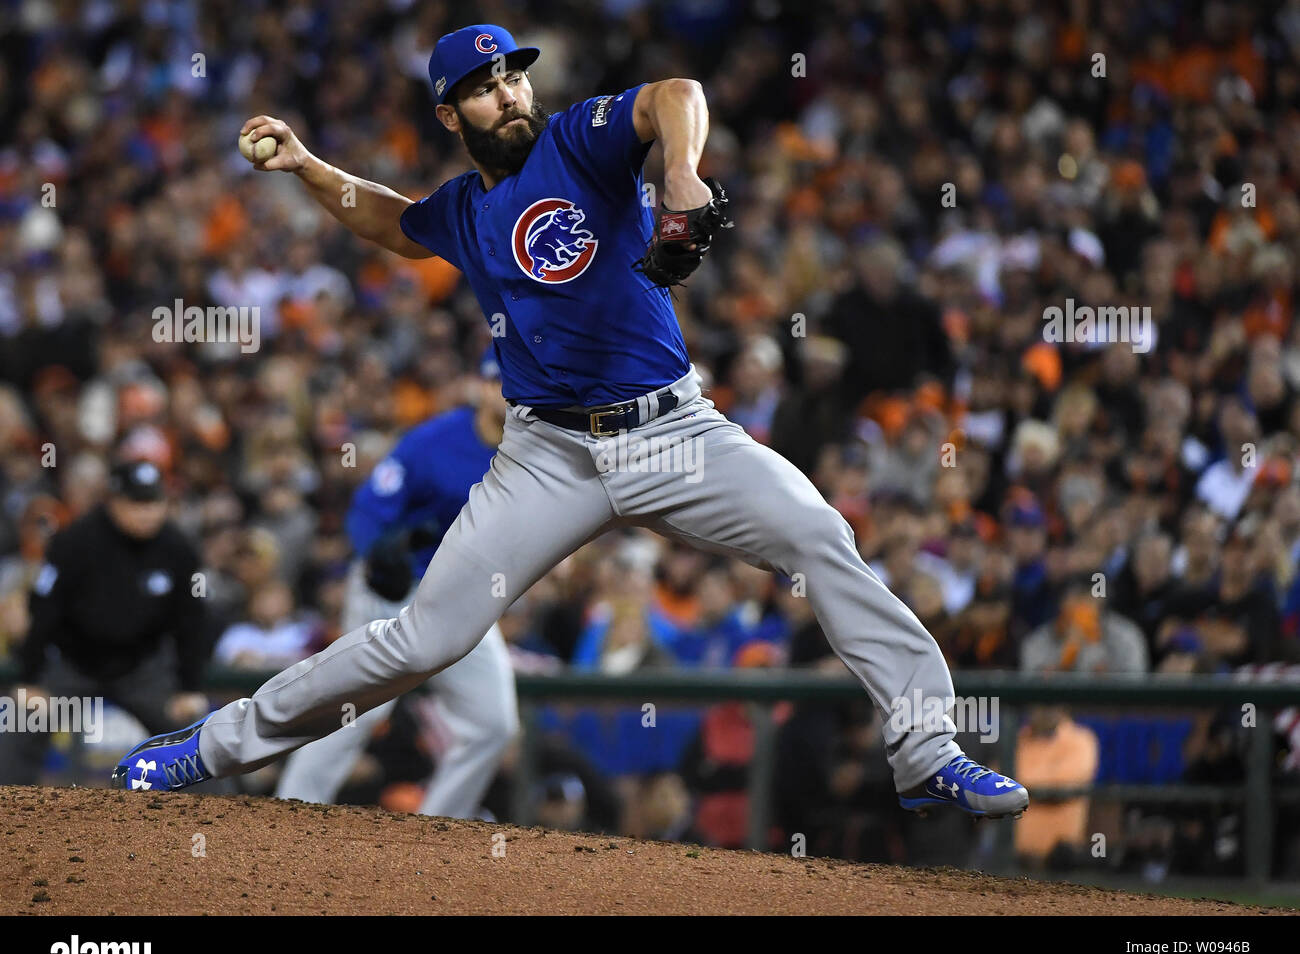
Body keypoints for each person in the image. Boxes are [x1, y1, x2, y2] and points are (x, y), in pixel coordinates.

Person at [113, 23, 1028, 821]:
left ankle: (926, 748)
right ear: (449, 116)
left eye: (512, 74)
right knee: (426, 637)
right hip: (547, 453)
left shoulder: (578, 143)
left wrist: (677, 171)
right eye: (480, 87)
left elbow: (678, 93)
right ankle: (216, 745)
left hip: (674, 431)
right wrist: (309, 166)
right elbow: (393, 223)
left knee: (822, 535)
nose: (506, 93)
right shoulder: (467, 212)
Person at [273, 363, 518, 819]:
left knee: (493, 723)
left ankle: (440, 827)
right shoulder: (432, 441)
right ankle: (291, 811)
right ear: (480, 387)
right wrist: (376, 550)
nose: (508, 392)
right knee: (358, 711)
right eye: (499, 382)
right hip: (393, 587)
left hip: (462, 596)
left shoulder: (534, 449)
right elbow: (368, 508)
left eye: (517, 381)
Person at [1, 460, 210, 784]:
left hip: (142, 668)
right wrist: (31, 677)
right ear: (114, 500)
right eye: (136, 503)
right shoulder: (76, 540)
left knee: (197, 736)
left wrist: (189, 687)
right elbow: (44, 609)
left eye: (154, 502)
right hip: (73, 664)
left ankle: (224, 827)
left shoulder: (178, 549)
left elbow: (192, 621)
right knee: (20, 719)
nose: (146, 513)